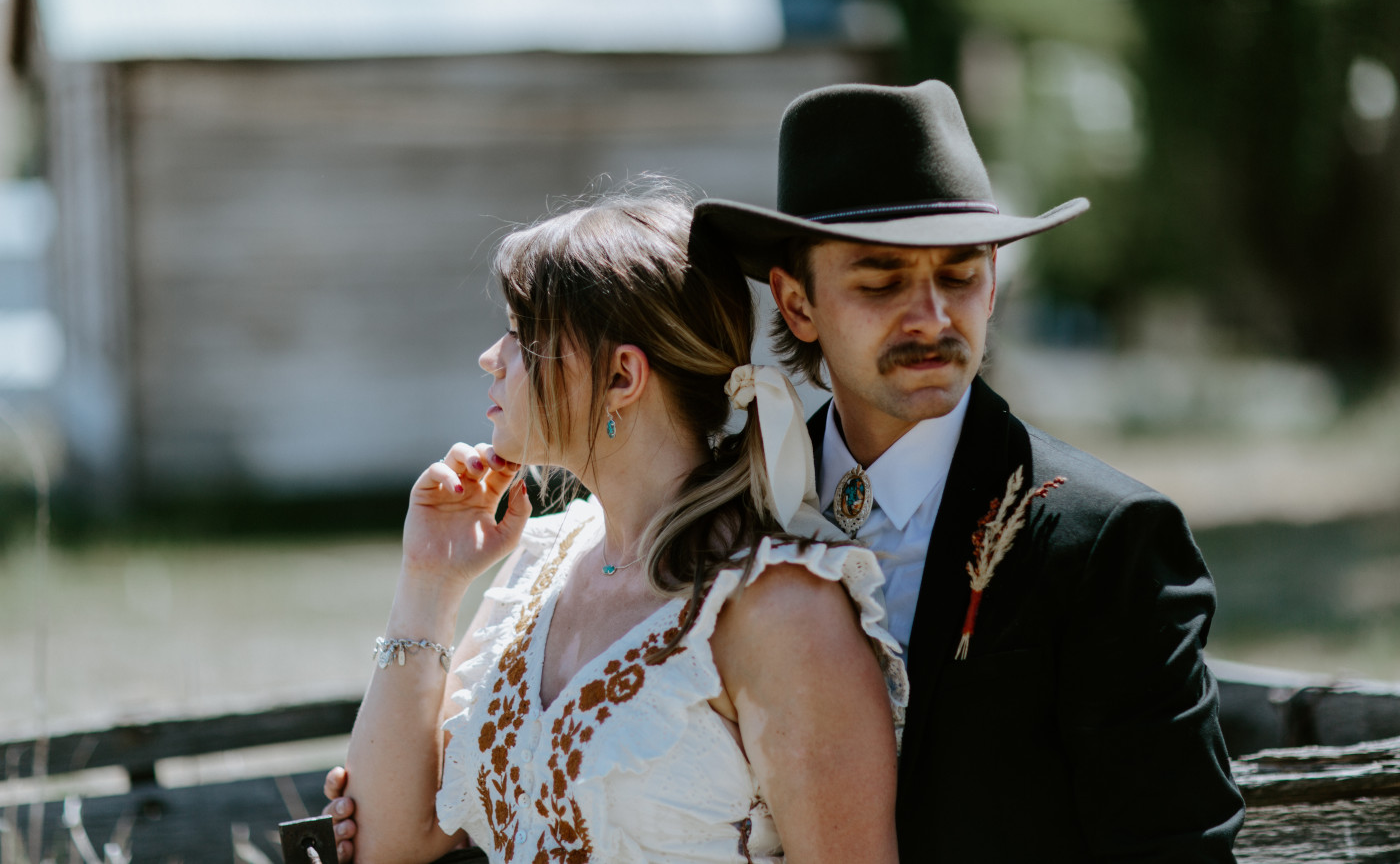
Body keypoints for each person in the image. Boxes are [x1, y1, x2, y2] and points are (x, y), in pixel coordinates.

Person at [685, 80, 1246, 861]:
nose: (933, 317)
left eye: (961, 275)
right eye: (880, 281)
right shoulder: (731, 509)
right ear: (798, 304)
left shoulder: (1106, 543)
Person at [331, 183, 906, 864]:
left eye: (521, 335)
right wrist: (428, 578)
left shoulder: (777, 607)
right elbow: (387, 843)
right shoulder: (541, 563)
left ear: (622, 377)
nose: (493, 357)